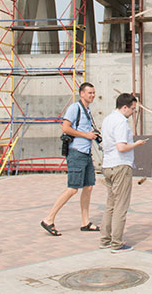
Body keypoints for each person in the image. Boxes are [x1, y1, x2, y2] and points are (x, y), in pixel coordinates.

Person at [41, 82, 101, 236]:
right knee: (73, 188)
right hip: (76, 153)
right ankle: (48, 219)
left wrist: (92, 135)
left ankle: (85, 222)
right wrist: (86, 135)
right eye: (89, 93)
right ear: (82, 94)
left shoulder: (87, 110)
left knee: (88, 187)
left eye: (93, 93)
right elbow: (65, 128)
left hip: (86, 153)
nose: (92, 95)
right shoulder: (75, 108)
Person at [100, 92, 148, 253]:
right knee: (121, 205)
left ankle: (105, 239)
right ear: (125, 107)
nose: (133, 112)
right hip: (120, 165)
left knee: (110, 204)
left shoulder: (107, 119)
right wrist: (136, 144)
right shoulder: (121, 122)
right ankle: (116, 243)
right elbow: (121, 147)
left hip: (107, 164)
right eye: (133, 109)